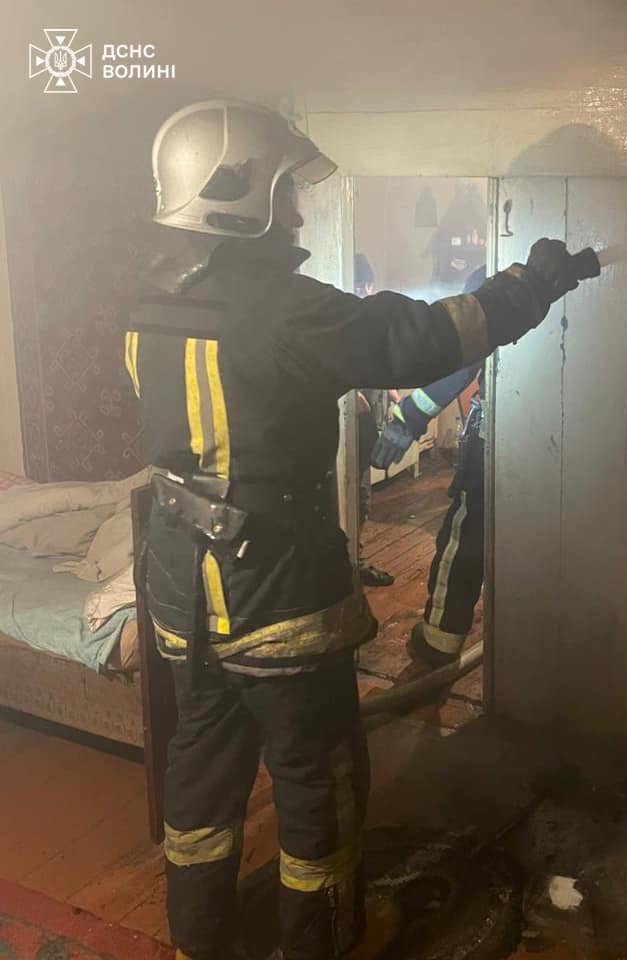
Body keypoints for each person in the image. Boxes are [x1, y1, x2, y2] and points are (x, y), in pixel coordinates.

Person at [124, 99, 594, 960]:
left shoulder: (148, 301)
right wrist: (531, 284)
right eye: (284, 194)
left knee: (202, 775)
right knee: (320, 785)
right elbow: (423, 338)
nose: (297, 215)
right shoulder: (284, 310)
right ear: (237, 196)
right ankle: (327, 944)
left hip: (183, 597)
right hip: (275, 598)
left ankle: (198, 944)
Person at [370, 267, 487, 666]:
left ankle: (439, 641)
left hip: (496, 440)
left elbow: (463, 363)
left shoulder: (492, 277)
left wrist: (407, 417)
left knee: (466, 537)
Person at [352, 254, 394, 588]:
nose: (366, 291)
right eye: (360, 285)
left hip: (367, 427)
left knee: (362, 498)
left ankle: (356, 560)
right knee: (350, 496)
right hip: (345, 430)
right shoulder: (336, 321)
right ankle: (350, 564)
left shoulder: (365, 320)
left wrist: (390, 388)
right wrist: (350, 394)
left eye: (368, 285)